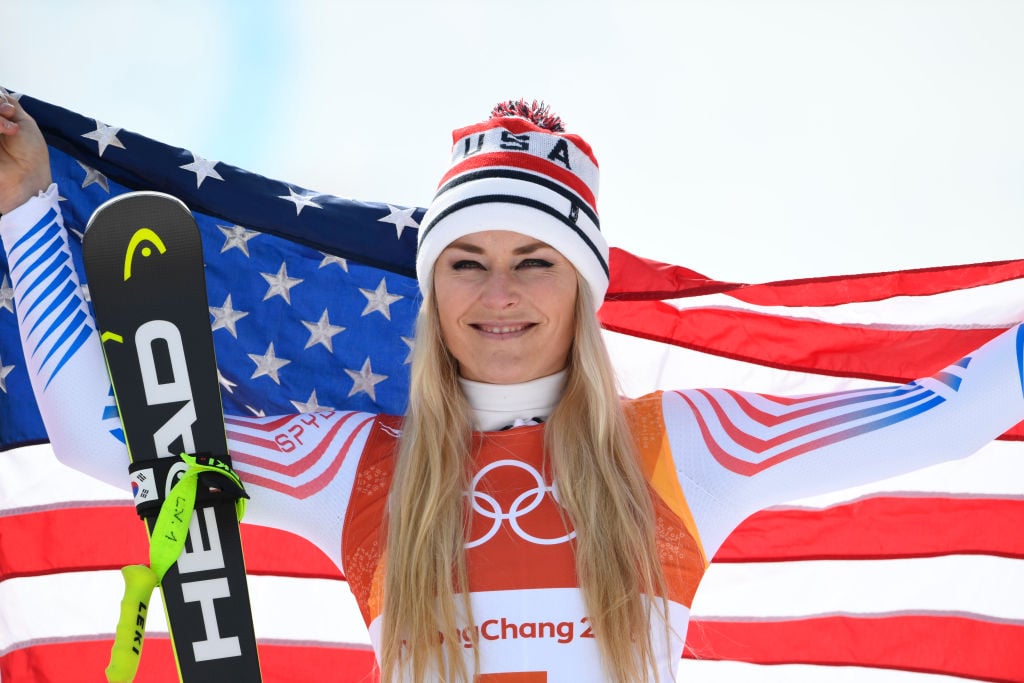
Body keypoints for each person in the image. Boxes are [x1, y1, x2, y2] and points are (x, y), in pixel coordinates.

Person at [2, 89, 1022, 682]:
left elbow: (955, 408)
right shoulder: (357, 464)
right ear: (431, 285)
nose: (498, 294)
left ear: (582, 289)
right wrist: (26, 212)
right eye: (465, 260)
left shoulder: (678, 447)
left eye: (535, 261)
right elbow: (105, 433)